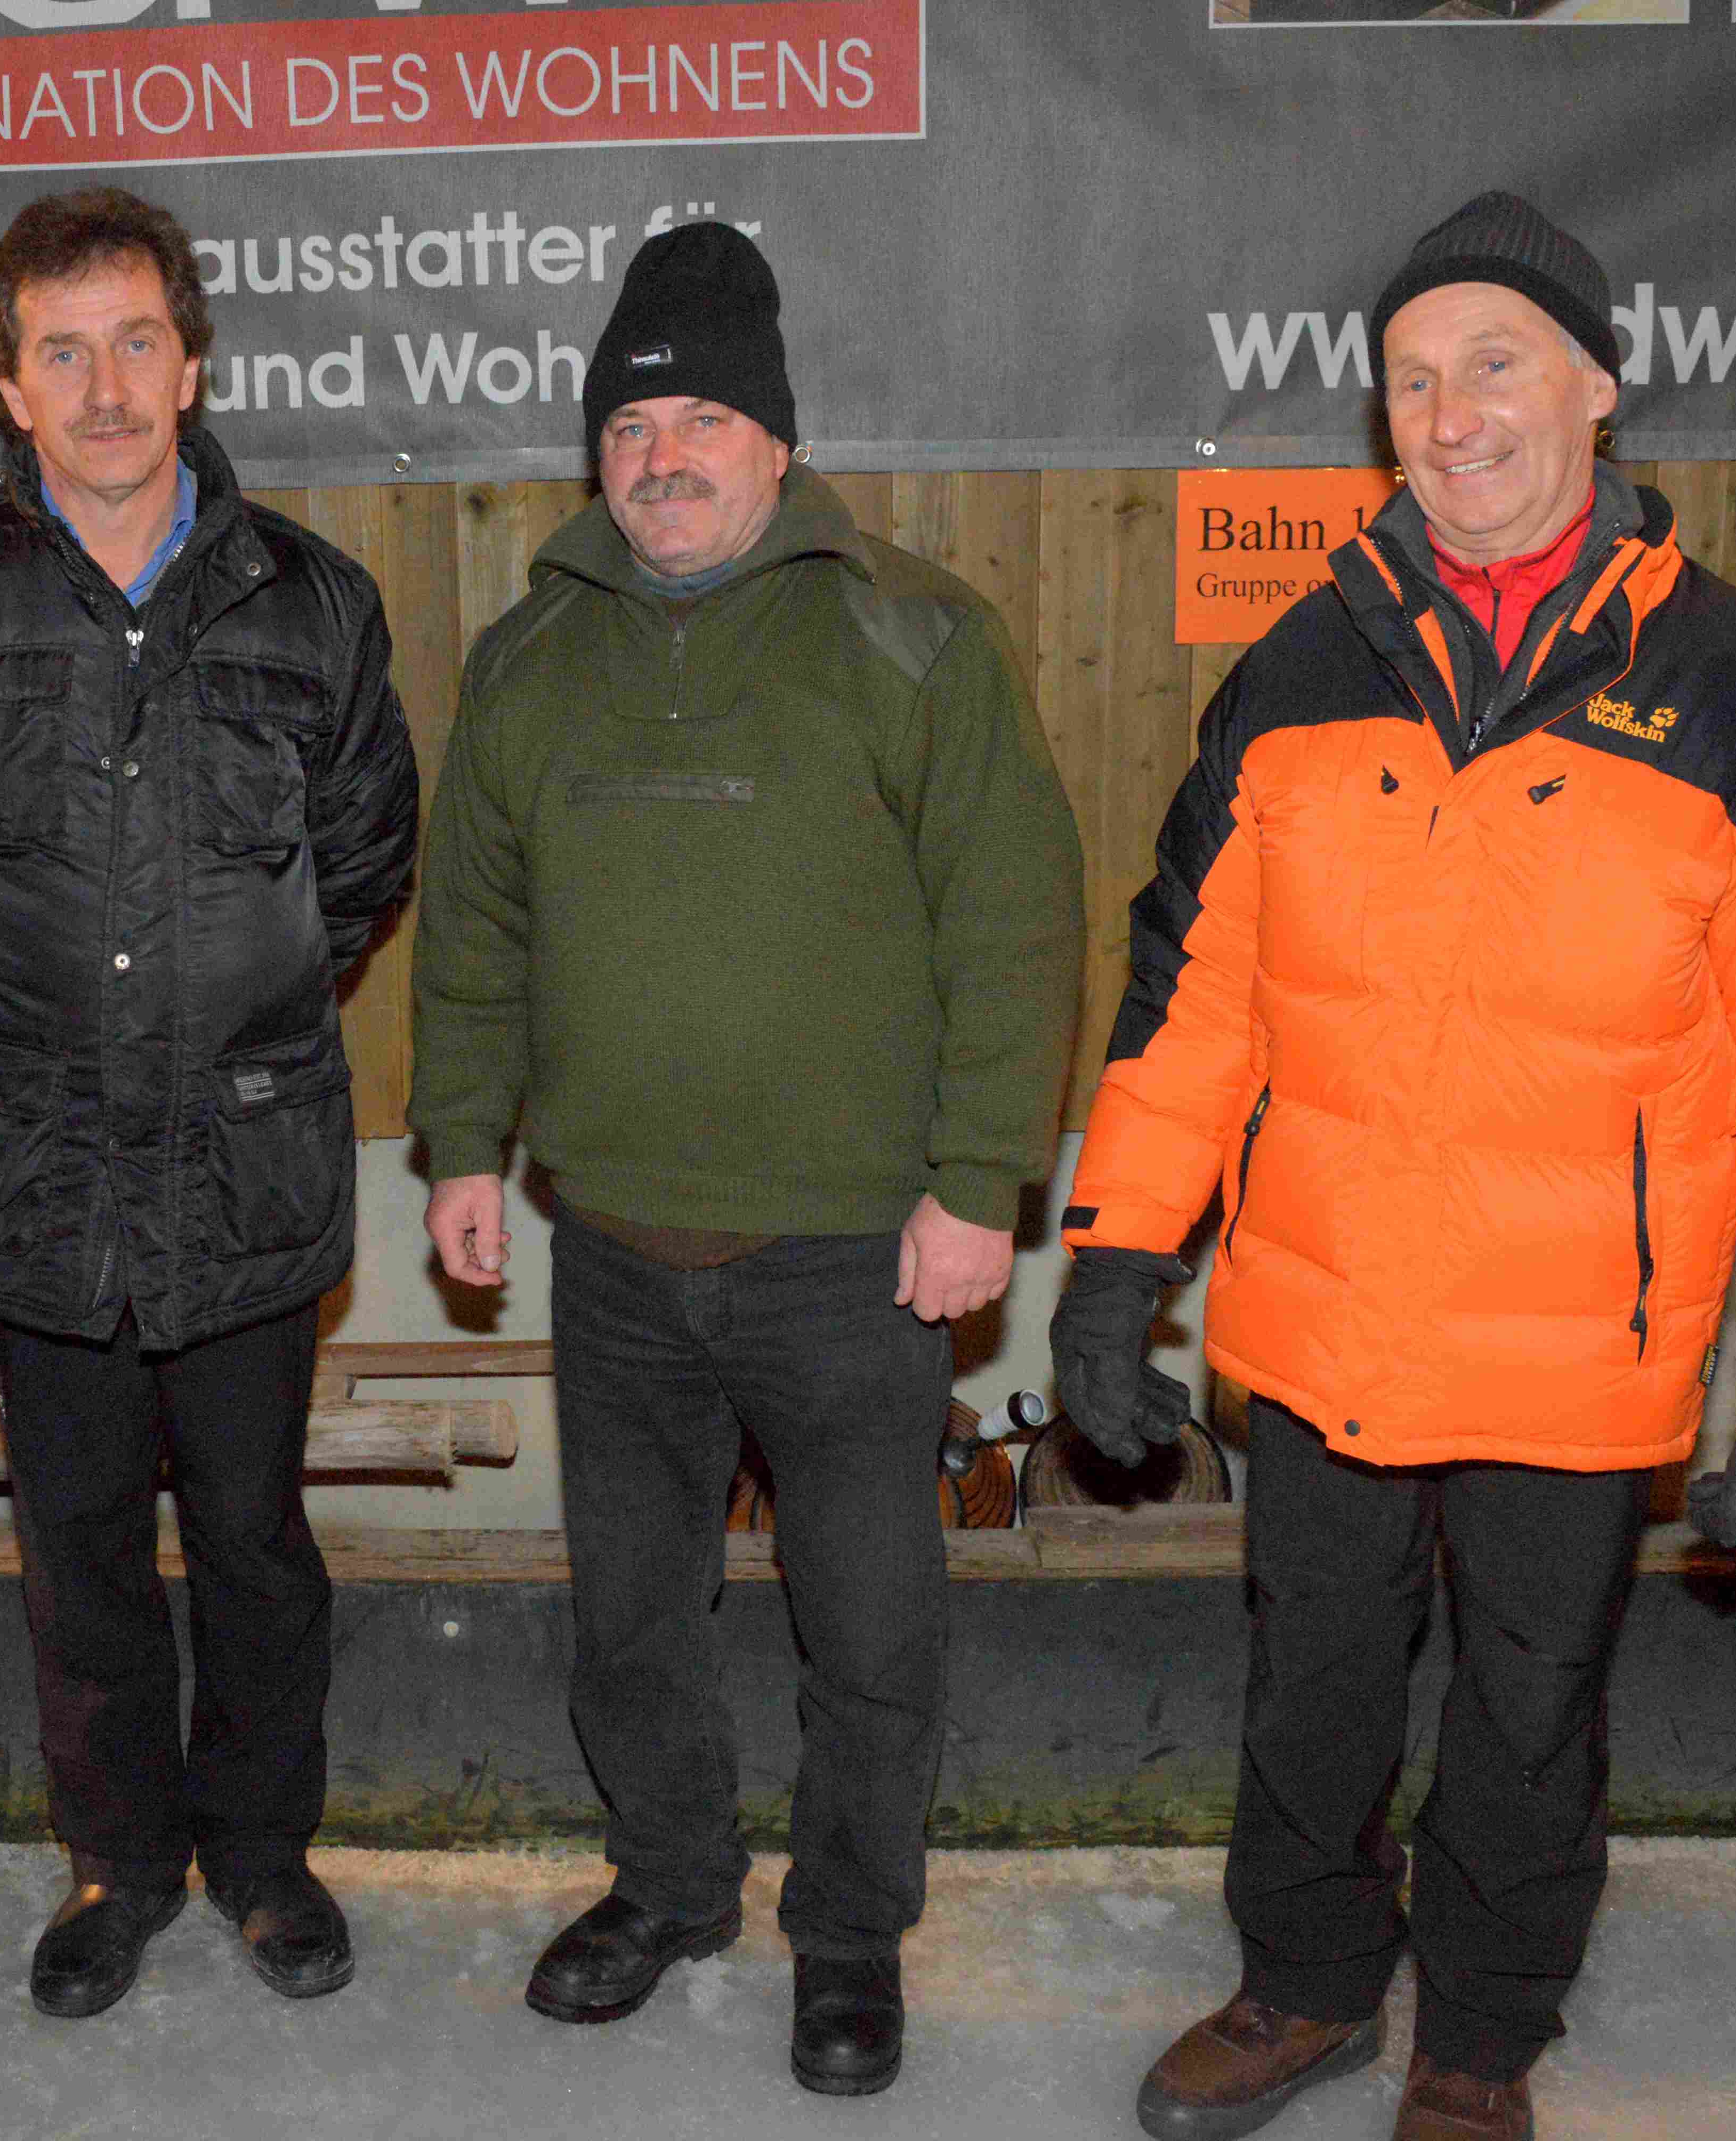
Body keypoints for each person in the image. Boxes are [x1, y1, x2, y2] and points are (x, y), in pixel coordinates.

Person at [1047, 192, 1736, 2141]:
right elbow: (1194, 995)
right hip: (1326, 1319)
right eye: (1412, 380)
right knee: (1312, 1687)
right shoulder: (1303, 667)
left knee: (1532, 1713)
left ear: (1600, 387)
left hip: (1571, 1347)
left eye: (1497, 364)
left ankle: (1478, 2040)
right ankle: (1304, 1985)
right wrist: (1114, 1260)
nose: (1451, 417)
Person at [410, 223, 1086, 2097]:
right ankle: (672, 1884)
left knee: (867, 1624)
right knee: (632, 1616)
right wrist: (463, 1143)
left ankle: (851, 1932)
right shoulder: (532, 653)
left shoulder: (915, 636)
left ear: (778, 442)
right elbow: (473, 928)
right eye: (632, 428)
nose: (666, 458)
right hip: (616, 1253)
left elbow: (1015, 923)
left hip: (853, 1257)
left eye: (705, 420)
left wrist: (981, 1182)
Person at [0, 186, 418, 2020]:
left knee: (253, 1544)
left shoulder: (315, 603)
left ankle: (264, 1856)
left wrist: (228, 1016)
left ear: (193, 363)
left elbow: (363, 865)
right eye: (61, 353)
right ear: (8, 387)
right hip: (35, 1175)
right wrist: (26, 1028)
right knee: (79, 1551)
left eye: (136, 342)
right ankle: (121, 1864)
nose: (104, 389)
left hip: (244, 1167)